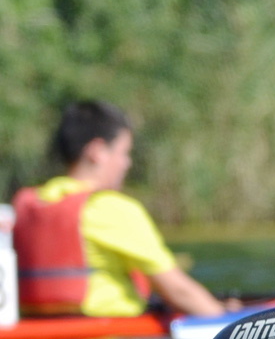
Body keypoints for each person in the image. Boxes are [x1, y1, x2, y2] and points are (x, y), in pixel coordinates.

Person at [12, 100, 235, 318]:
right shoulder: (109, 208)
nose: (126, 163)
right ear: (97, 151)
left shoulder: (29, 202)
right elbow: (179, 291)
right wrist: (222, 317)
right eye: (124, 152)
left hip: (36, 334)